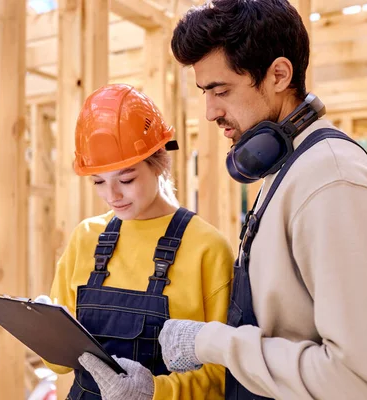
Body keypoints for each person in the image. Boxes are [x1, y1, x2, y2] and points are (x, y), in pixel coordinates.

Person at [154, 1, 367, 399]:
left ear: (279, 74)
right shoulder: (292, 170)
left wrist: (213, 343)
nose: (209, 112)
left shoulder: (333, 185)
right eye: (205, 93)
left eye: (221, 90)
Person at [42, 83, 235, 400]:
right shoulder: (85, 238)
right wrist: (45, 331)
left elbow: (222, 377)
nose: (112, 196)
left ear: (158, 162)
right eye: (99, 182)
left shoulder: (206, 247)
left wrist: (152, 392)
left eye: (126, 179)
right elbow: (59, 365)